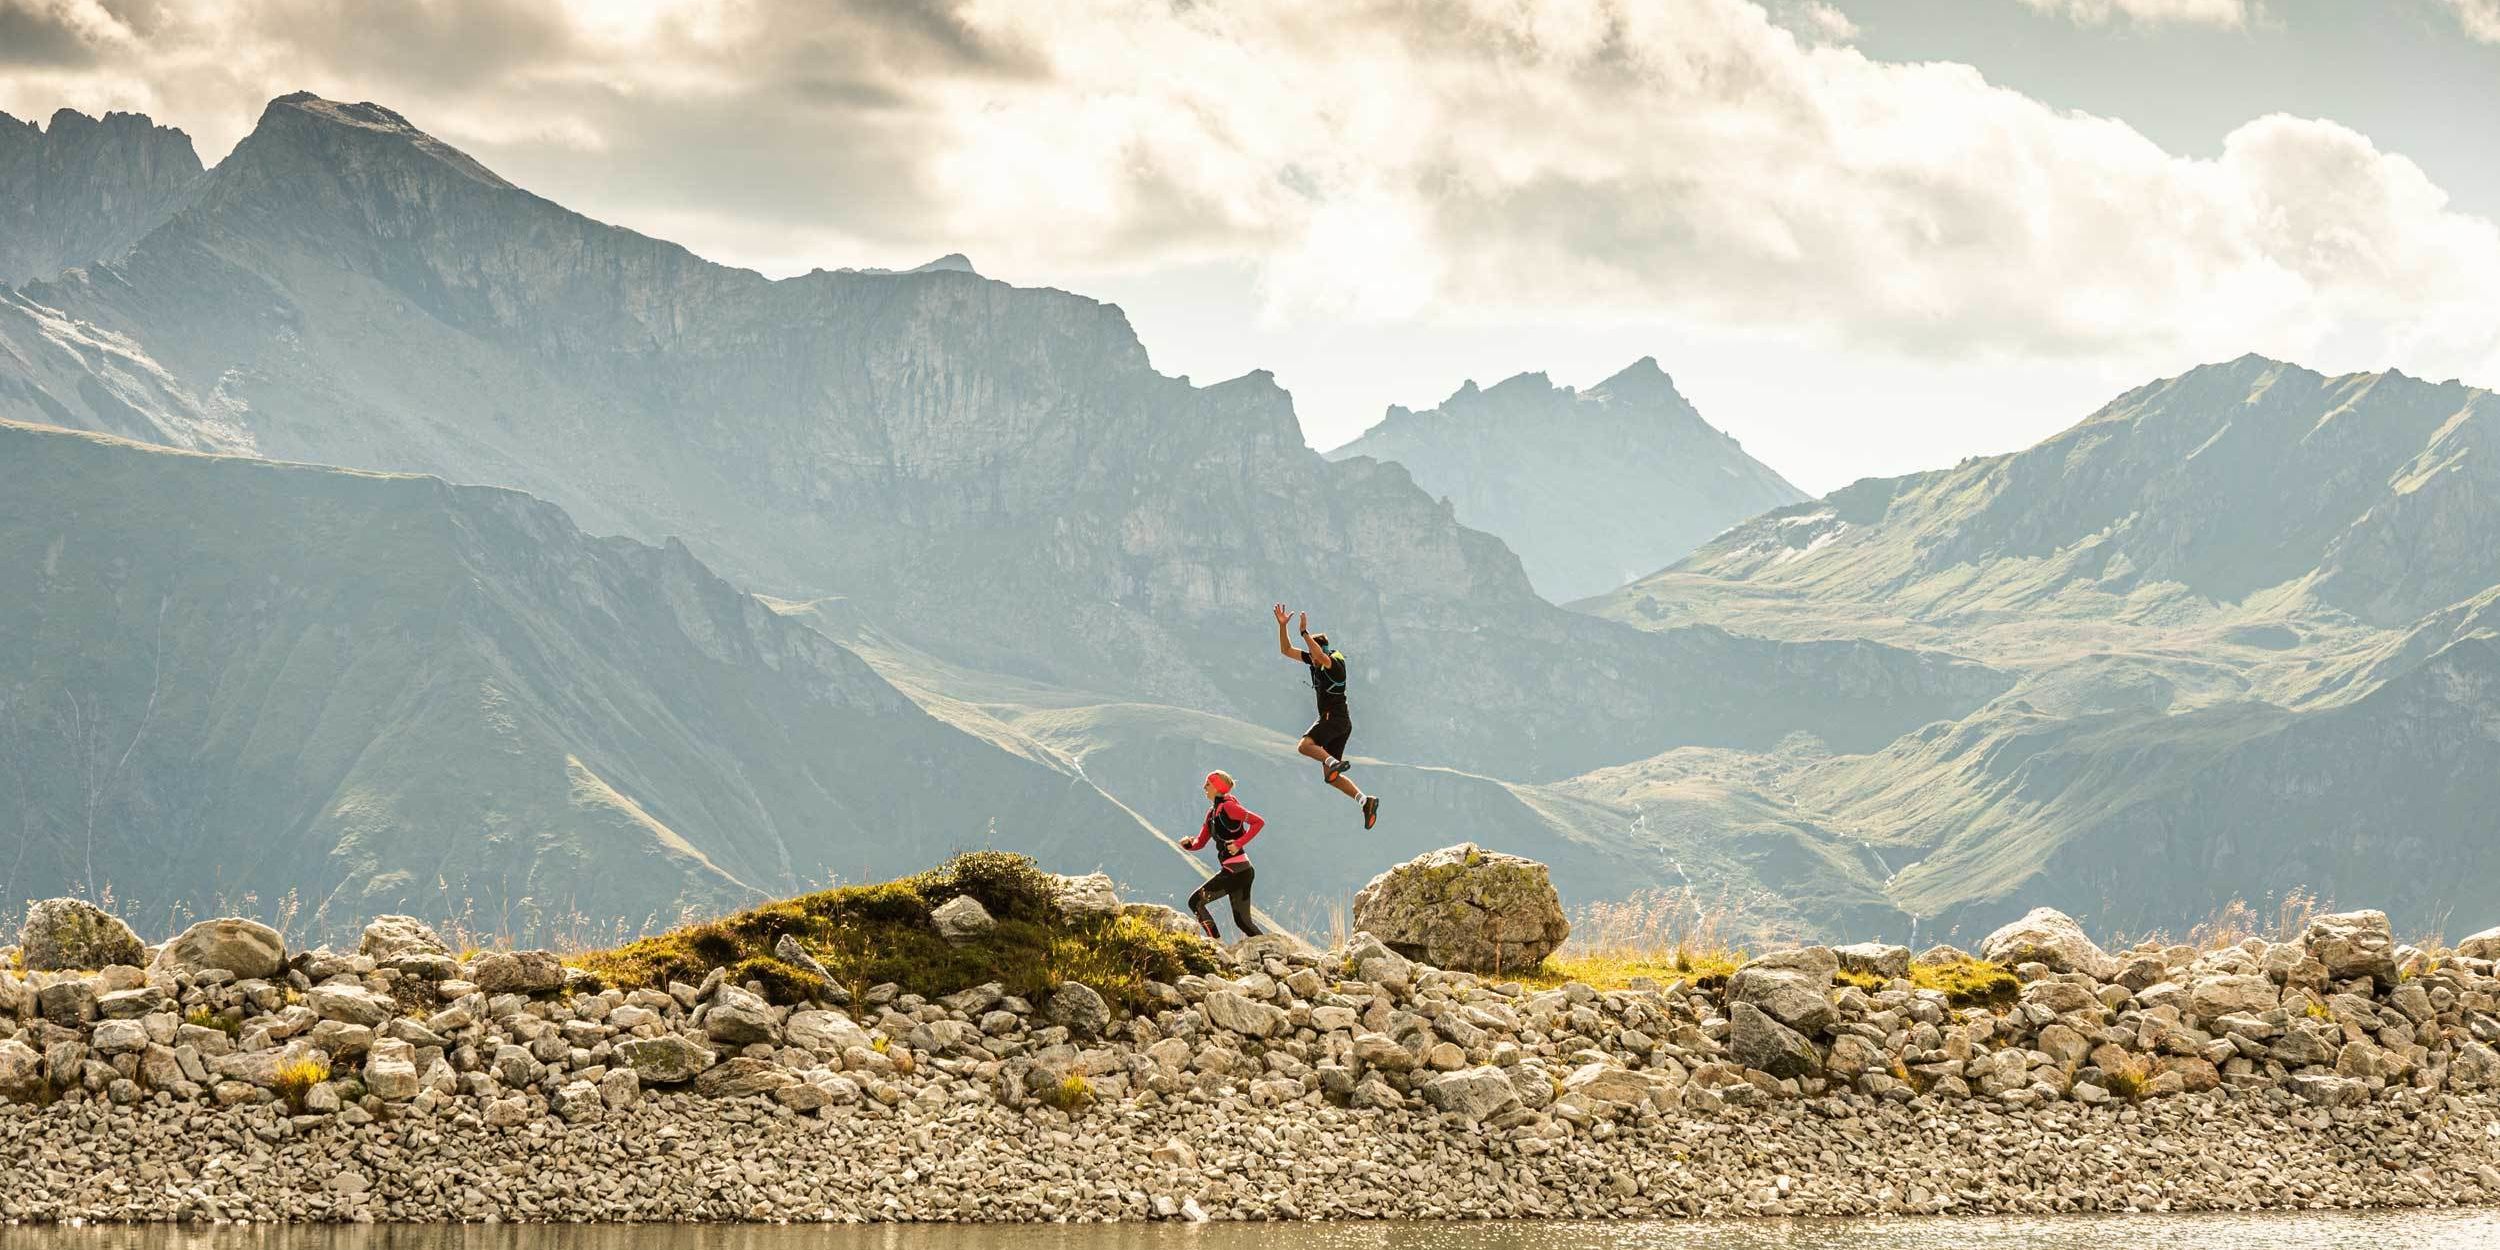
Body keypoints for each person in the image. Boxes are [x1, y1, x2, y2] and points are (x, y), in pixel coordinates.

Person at [1273, 603, 1381, 830]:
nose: (1310, 660)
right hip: (1339, 722)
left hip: (1334, 718)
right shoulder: (1316, 661)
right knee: (1330, 777)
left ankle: (1334, 763)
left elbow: (1321, 657)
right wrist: (1283, 626)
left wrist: (1304, 633)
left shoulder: (1334, 663)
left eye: (1313, 655)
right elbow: (1286, 650)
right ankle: (1365, 801)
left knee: (1304, 746)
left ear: (1320, 650)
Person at [1182, 770, 1264, 940]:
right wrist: (1188, 844)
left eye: (1208, 784)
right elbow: (1200, 842)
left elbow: (1258, 822)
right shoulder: (1212, 813)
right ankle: (1271, 951)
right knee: (1243, 922)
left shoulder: (1229, 807)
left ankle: (1215, 943)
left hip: (1236, 871)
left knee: (1195, 902)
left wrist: (1239, 843)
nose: (1204, 787)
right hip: (1240, 871)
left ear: (1217, 787)